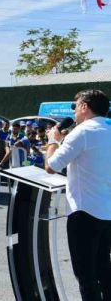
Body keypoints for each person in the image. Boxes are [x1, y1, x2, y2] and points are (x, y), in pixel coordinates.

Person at [45, 90, 111, 300]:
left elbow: (51, 166)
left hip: (84, 212)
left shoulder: (82, 132)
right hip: (107, 211)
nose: (73, 112)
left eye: (75, 106)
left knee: (86, 276)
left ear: (85, 107)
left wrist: (53, 141)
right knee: (104, 271)